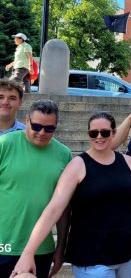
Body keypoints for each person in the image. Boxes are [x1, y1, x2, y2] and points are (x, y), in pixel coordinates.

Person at [12, 112, 131, 278]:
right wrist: (28, 252)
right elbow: (53, 210)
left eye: (105, 132)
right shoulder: (77, 166)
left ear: (114, 133)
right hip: (91, 256)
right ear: (88, 134)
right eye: (93, 133)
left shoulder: (128, 162)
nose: (99, 137)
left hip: (128, 251)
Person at [0, 100, 71, 278]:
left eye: (49, 128)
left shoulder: (64, 154)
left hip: (41, 249)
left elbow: (63, 208)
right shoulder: (4, 144)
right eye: (36, 126)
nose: (41, 133)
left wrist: (61, 246)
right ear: (27, 120)